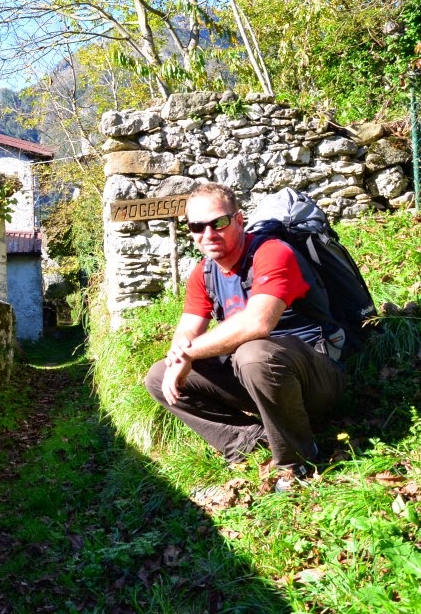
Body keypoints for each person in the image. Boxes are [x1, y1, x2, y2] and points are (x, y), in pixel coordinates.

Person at [144, 182, 346, 480]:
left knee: (253, 352)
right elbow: (186, 332)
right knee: (160, 375)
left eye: (219, 223)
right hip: (259, 380)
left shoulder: (272, 253)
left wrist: (190, 352)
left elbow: (257, 323)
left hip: (316, 378)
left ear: (238, 220)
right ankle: (253, 441)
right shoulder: (204, 273)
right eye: (198, 226)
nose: (208, 234)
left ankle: (297, 461)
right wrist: (180, 357)